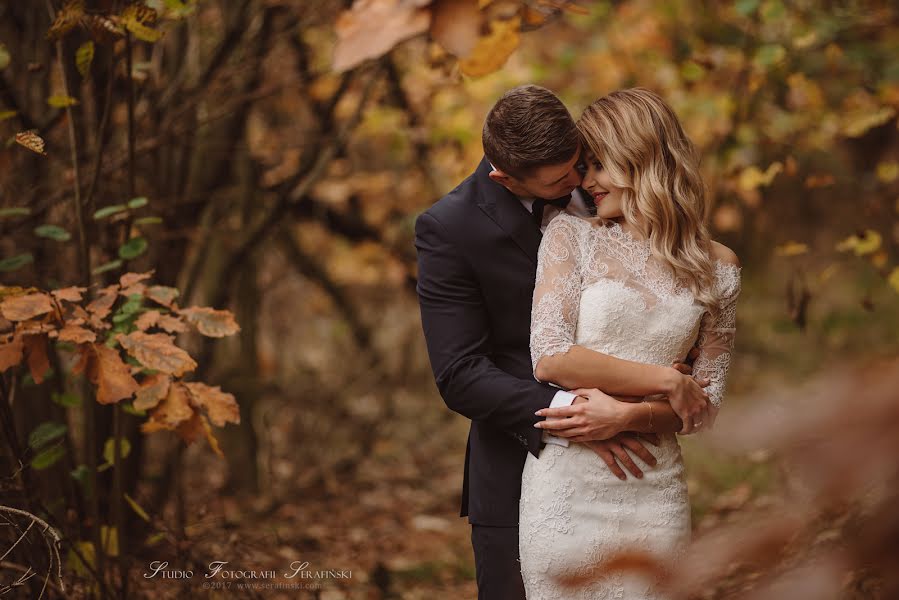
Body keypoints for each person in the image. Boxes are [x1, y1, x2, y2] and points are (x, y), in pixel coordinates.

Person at [414, 85, 713, 600]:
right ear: (503, 177)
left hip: (643, 469)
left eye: (582, 163)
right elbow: (460, 373)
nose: (580, 180)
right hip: (519, 459)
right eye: (561, 179)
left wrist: (659, 358)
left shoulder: (606, 182)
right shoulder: (450, 228)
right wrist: (574, 412)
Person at [518, 88, 742, 599]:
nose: (587, 181)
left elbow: (705, 407)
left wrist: (628, 417)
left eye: (599, 164)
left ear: (641, 157)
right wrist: (665, 380)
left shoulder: (719, 268)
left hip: (654, 488)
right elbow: (551, 358)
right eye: (586, 165)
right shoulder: (570, 238)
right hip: (566, 486)